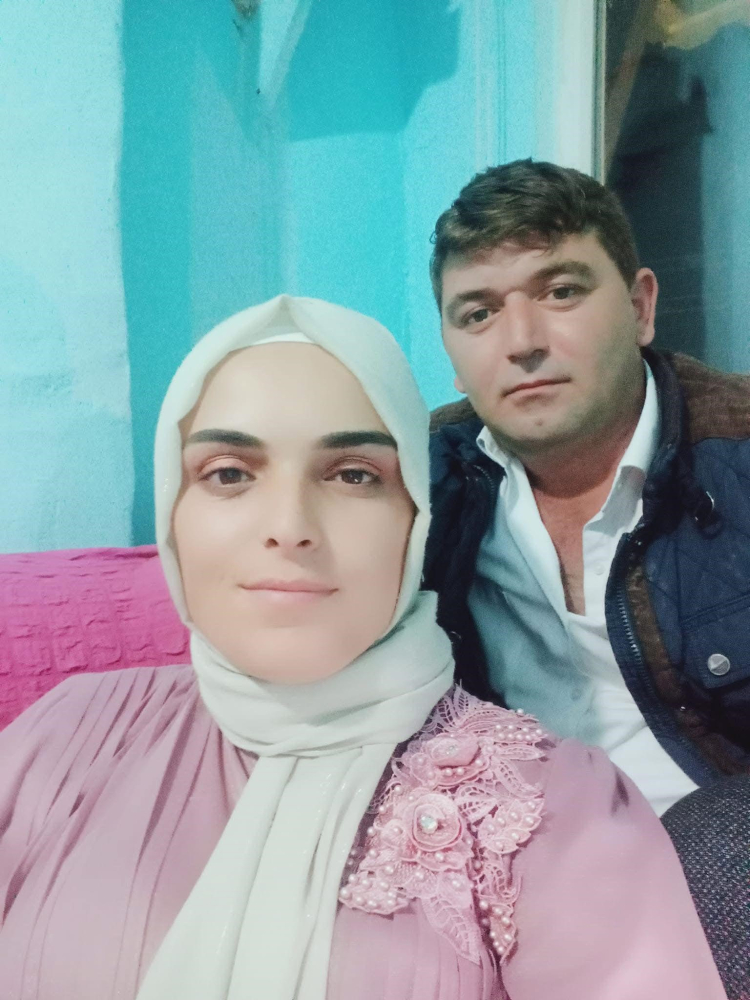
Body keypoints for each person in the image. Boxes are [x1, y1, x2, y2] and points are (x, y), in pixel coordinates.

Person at [0, 295, 726, 1000]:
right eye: (229, 474)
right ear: (172, 513)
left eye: (353, 475)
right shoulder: (65, 737)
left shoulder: (550, 806)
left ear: (415, 519)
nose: (289, 526)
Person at [425, 159, 750, 818]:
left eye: (561, 292)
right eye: (479, 313)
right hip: (510, 849)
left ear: (640, 307)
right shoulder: (422, 481)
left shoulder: (736, 453)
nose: (522, 343)